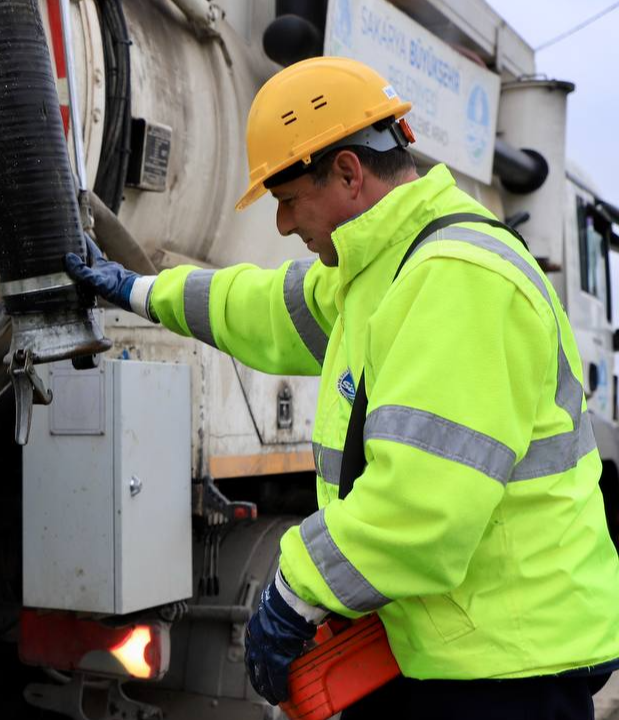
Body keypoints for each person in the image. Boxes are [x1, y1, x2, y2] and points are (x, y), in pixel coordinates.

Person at [65, 56, 619, 719]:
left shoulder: (457, 282)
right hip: (468, 652)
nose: (281, 224)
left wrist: (293, 592)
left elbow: (419, 511)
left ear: (350, 174)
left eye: (289, 200)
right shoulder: (383, 271)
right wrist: (142, 290)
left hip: (509, 674)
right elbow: (263, 306)